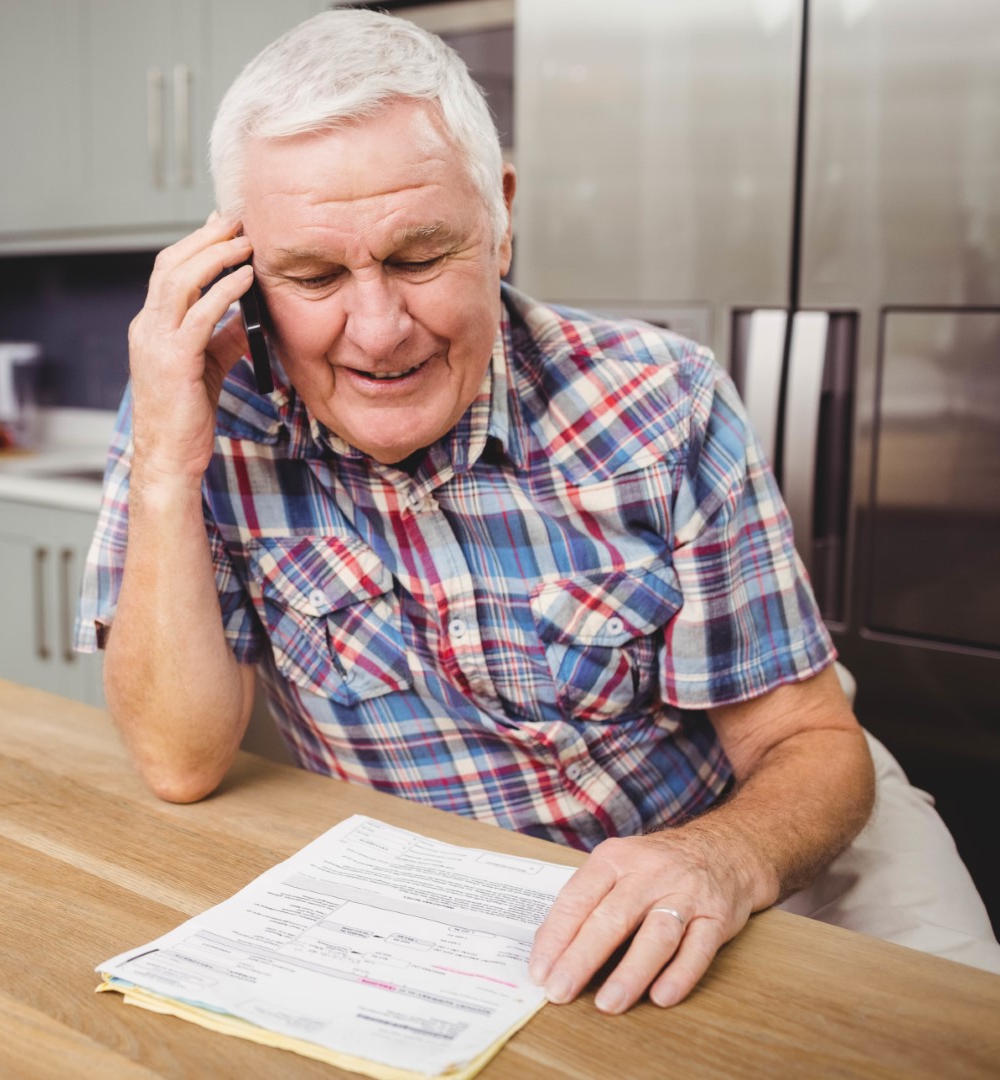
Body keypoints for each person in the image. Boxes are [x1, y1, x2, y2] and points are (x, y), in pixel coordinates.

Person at [75, 8, 1000, 1015]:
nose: (380, 331)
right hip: (488, 910)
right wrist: (167, 460)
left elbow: (810, 744)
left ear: (501, 218)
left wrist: (721, 858)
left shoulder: (660, 400)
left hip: (769, 840)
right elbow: (178, 759)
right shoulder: (192, 407)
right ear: (240, 268)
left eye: (421, 255)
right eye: (315, 275)